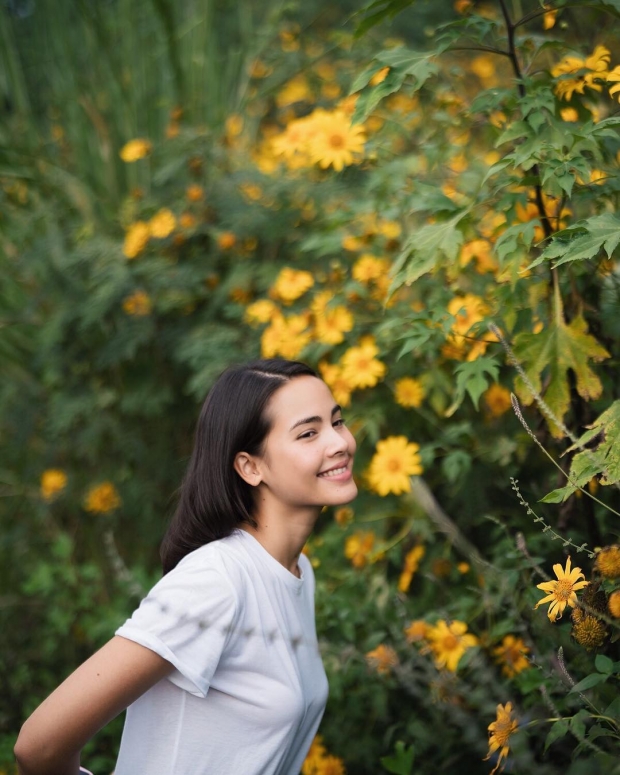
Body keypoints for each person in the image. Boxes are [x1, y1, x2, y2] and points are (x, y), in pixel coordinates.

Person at [14, 358, 358, 775]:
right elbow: (40, 745)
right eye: (309, 433)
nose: (339, 442)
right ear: (250, 466)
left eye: (336, 422)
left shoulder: (296, 569)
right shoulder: (216, 581)